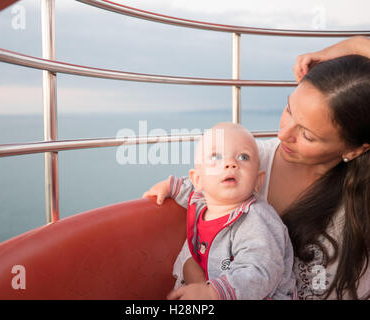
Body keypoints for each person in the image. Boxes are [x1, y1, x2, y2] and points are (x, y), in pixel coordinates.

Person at [144, 37, 370, 300]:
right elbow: (202, 232)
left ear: (355, 149)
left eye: (307, 135)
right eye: (288, 109)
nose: (283, 134)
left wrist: (354, 46)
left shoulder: (358, 197)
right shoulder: (248, 160)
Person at [144, 122, 296, 300]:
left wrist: (214, 292)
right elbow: (189, 188)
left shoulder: (257, 220)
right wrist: (170, 186)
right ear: (198, 179)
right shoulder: (201, 199)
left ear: (257, 181)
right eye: (216, 156)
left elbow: (260, 272)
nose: (230, 163)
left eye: (243, 157)